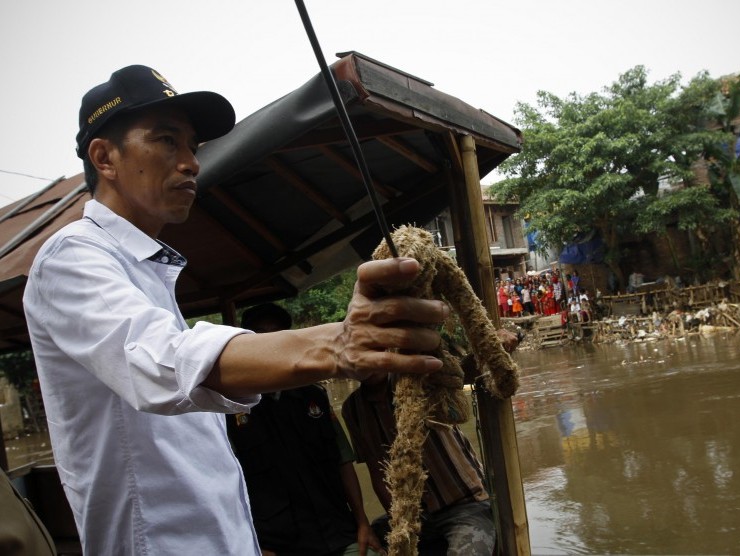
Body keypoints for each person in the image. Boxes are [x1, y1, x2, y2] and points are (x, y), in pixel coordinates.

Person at [22, 65, 447, 555]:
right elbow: (161, 362)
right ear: (105, 157)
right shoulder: (72, 257)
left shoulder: (147, 271)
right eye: (166, 141)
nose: (191, 163)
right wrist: (339, 342)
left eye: (192, 147)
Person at [342, 330, 519, 556]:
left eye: (372, 350)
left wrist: (492, 347)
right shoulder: (353, 409)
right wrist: (402, 528)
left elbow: (458, 375)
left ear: (385, 349)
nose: (367, 362)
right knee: (360, 543)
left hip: (466, 504)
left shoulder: (415, 376)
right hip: (418, 516)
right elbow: (378, 473)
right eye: (358, 356)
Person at [226, 303, 384, 556]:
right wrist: (251, 543)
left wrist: (363, 524)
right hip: (277, 544)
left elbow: (344, 464)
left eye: (277, 333)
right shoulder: (234, 409)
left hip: (337, 532)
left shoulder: (314, 399)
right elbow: (227, 485)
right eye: (260, 334)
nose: (269, 341)